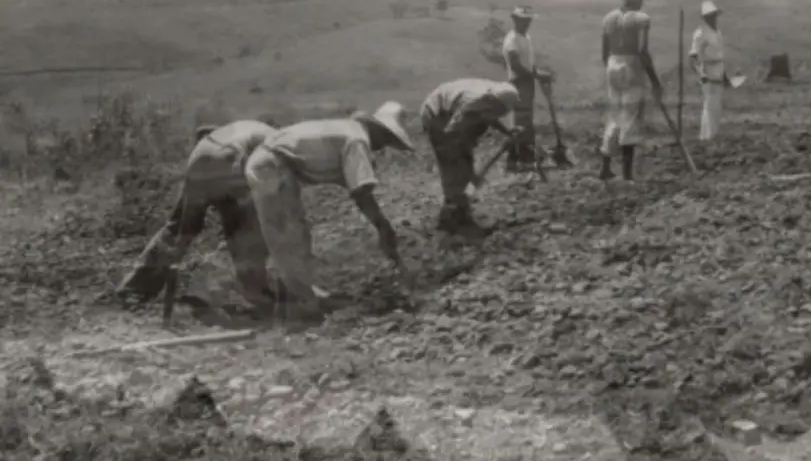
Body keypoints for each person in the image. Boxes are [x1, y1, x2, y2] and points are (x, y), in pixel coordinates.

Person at [244, 101, 415, 324]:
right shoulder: (357, 140)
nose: (383, 147)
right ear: (378, 131)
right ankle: (301, 309)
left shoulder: (348, 131)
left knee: (294, 234)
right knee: (289, 236)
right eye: (387, 139)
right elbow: (361, 192)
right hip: (270, 167)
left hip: (271, 163)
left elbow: (355, 184)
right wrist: (383, 226)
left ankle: (299, 296)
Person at [116, 120, 279, 312]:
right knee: (245, 228)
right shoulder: (279, 142)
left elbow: (203, 132)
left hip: (200, 159)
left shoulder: (244, 128)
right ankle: (257, 290)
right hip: (230, 162)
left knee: (180, 228)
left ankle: (135, 289)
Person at [420, 79, 524, 241]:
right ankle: (451, 216)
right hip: (436, 114)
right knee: (453, 165)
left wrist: (508, 132)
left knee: (464, 163)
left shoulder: (490, 98)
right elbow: (451, 132)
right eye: (502, 111)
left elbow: (489, 116)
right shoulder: (475, 102)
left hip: (449, 111)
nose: (502, 114)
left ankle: (461, 212)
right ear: (495, 103)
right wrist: (459, 157)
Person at [599, 0, 665, 182]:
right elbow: (643, 51)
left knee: (615, 115)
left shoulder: (609, 18)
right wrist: (654, 79)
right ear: (636, 0)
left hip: (612, 63)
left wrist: (612, 68)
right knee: (631, 116)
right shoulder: (641, 19)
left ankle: (606, 167)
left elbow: (604, 51)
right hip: (631, 65)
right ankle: (627, 174)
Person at [502, 5, 553, 175]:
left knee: (523, 121)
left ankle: (516, 159)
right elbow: (515, 65)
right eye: (522, 20)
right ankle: (521, 160)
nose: (526, 23)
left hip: (527, 82)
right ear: (515, 20)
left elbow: (528, 62)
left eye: (528, 20)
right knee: (522, 122)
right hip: (518, 83)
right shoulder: (512, 40)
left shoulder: (525, 37)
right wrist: (535, 75)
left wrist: (536, 73)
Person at [689, 0, 727, 142]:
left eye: (714, 15)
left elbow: (720, 55)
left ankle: (712, 136)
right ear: (705, 18)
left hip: (718, 71)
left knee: (716, 106)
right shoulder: (700, 34)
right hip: (708, 72)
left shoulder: (717, 33)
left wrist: (725, 75)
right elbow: (693, 58)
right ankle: (707, 137)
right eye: (710, 16)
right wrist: (701, 74)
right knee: (710, 105)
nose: (713, 18)